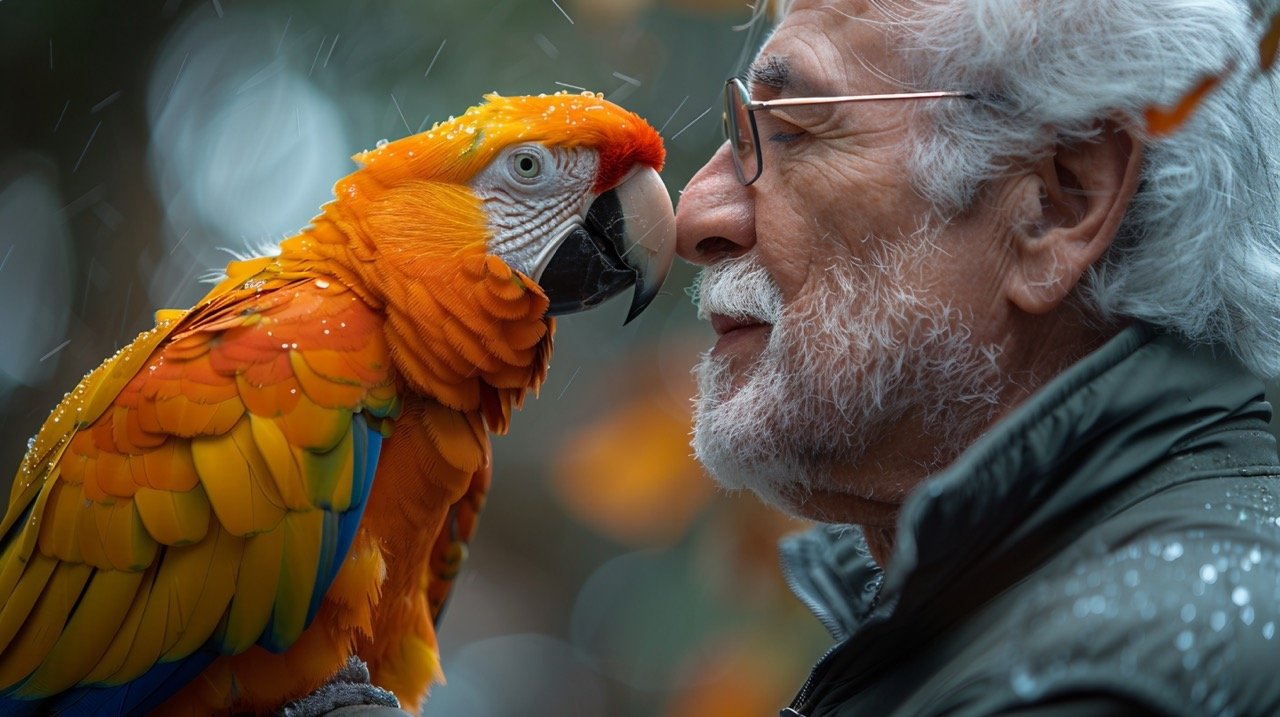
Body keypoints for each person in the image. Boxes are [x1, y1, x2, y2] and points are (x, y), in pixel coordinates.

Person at [676, 0, 1280, 715]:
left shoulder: (1114, 677)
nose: (696, 214)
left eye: (796, 128)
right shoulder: (1043, 614)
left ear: (1058, 202)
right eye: (743, 126)